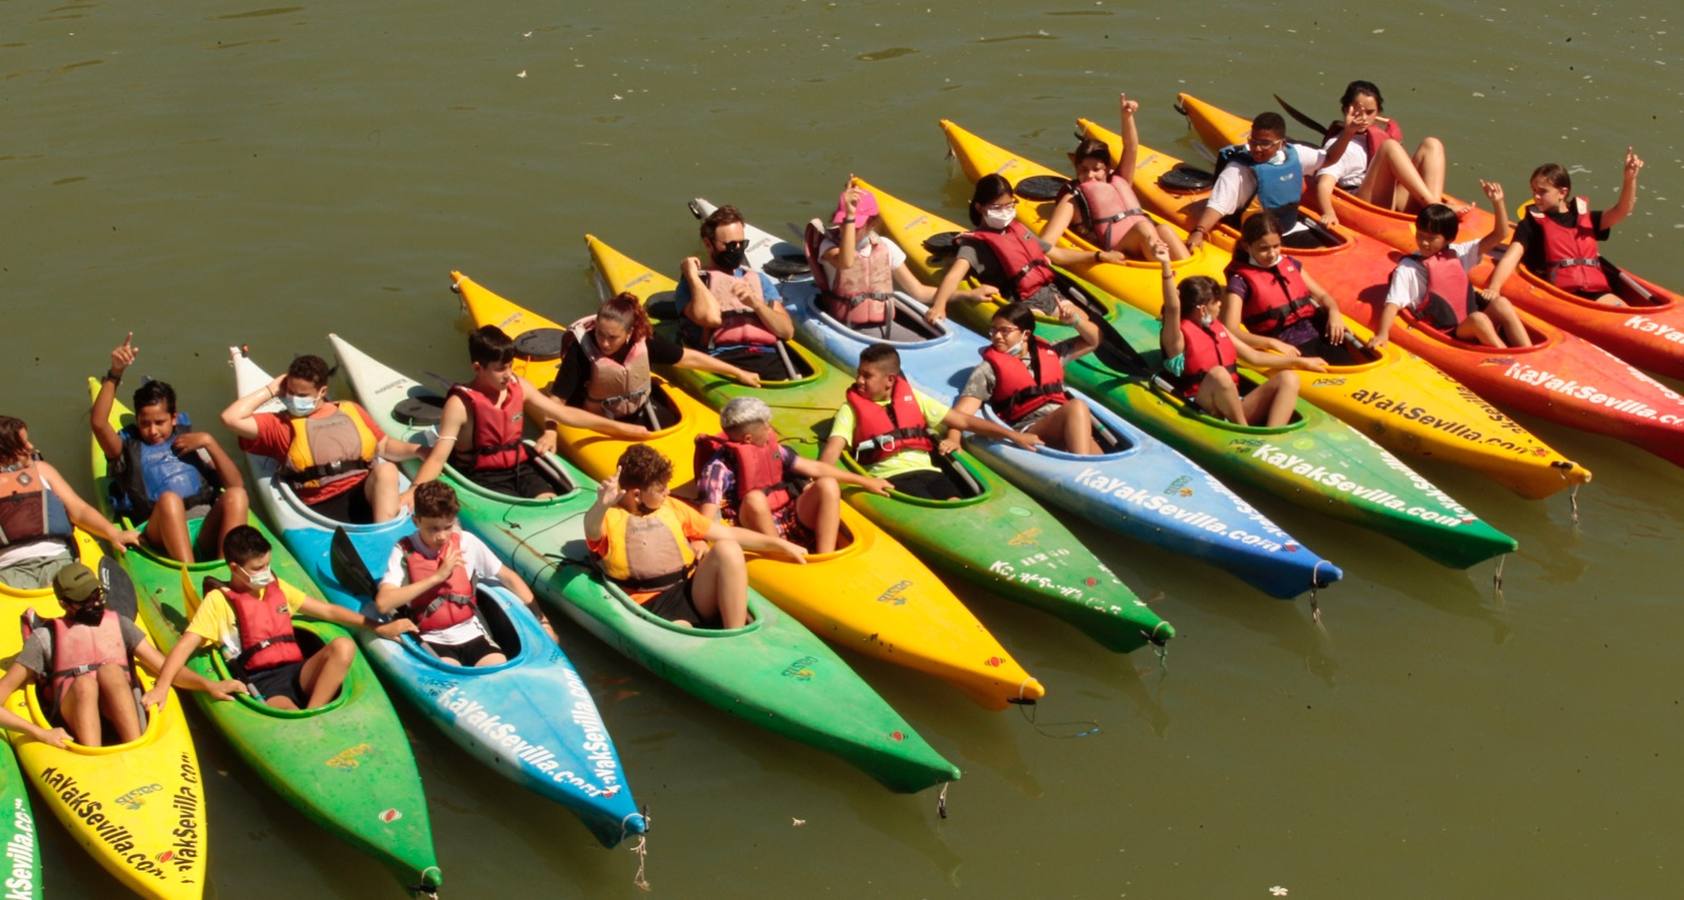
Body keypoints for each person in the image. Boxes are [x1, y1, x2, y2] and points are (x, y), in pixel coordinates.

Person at [142, 525, 416, 711]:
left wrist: (379, 627)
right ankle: (302, 718)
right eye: (258, 567)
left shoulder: (276, 587)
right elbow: (185, 645)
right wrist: (161, 687)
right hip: (265, 683)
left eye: (268, 564)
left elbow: (327, 610)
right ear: (235, 568)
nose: (266, 572)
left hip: (298, 671)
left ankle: (315, 713)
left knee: (344, 647)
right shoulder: (219, 602)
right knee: (288, 710)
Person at [0, 563, 240, 747]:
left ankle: (137, 744)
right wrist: (40, 733)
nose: (95, 604)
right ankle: (93, 755)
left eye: (97, 596)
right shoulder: (45, 638)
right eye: (85, 600)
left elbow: (165, 667)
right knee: (85, 684)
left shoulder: (120, 624)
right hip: (75, 720)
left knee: (111, 671)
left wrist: (208, 685)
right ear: (65, 604)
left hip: (121, 709)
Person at [411, 325, 650, 501]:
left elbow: (566, 414)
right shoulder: (459, 405)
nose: (508, 374)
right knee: (525, 504)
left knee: (548, 500)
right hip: (481, 476)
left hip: (519, 467)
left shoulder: (518, 386)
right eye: (500, 369)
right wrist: (413, 493)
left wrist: (626, 429)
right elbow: (438, 458)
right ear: (477, 368)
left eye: (511, 366)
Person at [586, 445, 804, 629]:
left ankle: (736, 634)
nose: (668, 492)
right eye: (661, 488)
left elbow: (726, 533)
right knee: (683, 627)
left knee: (727, 548)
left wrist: (779, 544)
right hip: (649, 605)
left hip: (690, 590)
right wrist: (601, 505)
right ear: (636, 494)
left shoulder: (671, 507)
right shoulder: (608, 518)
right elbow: (592, 529)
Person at [91, 333, 249, 563]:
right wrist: (115, 373)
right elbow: (98, 423)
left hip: (203, 526)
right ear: (137, 420)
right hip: (157, 532)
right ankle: (189, 573)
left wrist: (209, 442)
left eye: (160, 423)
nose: (153, 431)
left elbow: (236, 485)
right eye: (145, 424)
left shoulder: (190, 440)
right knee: (169, 500)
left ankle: (229, 567)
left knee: (237, 496)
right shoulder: (125, 448)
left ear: (174, 418)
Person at [820, 343, 1041, 500]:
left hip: (929, 473)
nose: (858, 380)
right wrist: (842, 479)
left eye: (866, 376)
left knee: (955, 501)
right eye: (859, 373)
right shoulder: (850, 410)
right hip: (889, 479)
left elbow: (963, 421)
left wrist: (1014, 435)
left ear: (890, 380)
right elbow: (830, 455)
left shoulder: (913, 398)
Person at [539, 293, 757, 452]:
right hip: (594, 420)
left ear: (629, 332)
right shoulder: (580, 352)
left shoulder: (643, 342)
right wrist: (550, 431)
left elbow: (686, 358)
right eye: (600, 334)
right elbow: (556, 401)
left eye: (612, 337)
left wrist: (737, 372)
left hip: (638, 409)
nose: (604, 343)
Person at [222, 354, 421, 524]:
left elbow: (384, 446)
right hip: (320, 505)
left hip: (365, 493)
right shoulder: (279, 425)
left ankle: (385, 534)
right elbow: (230, 418)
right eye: (289, 392)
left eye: (301, 394)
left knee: (387, 469)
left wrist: (418, 450)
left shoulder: (350, 410)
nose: (292, 398)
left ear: (322, 392)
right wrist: (271, 389)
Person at [375, 481, 553, 667]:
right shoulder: (404, 551)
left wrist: (543, 622)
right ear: (416, 521)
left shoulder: (467, 543)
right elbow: (383, 603)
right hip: (430, 637)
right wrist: (438, 577)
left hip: (472, 633)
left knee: (498, 667)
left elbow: (508, 577)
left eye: (447, 527)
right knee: (449, 668)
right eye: (433, 528)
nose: (442, 536)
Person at [695, 397, 890, 555]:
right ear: (748, 438)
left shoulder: (773, 449)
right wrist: (700, 540)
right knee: (755, 499)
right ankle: (785, 556)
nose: (771, 430)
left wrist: (865, 481)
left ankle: (825, 555)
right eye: (766, 426)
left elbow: (816, 469)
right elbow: (706, 517)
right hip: (755, 526)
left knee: (828, 484)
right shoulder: (717, 469)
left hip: (788, 514)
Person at [926, 174, 1126, 325]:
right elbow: (954, 276)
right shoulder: (974, 244)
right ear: (979, 207)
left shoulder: (1017, 230)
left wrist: (1099, 255)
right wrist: (939, 306)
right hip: (1021, 302)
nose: (1005, 212)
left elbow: (1057, 254)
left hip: (1050, 291)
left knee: (1085, 322)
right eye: (997, 207)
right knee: (1072, 324)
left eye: (1010, 205)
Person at [1159, 248, 1325, 428]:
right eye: (1216, 301)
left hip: (1235, 406)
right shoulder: (1177, 338)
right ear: (1202, 309)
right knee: (1220, 375)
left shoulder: (1217, 328)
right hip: (1203, 408)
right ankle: (1244, 432)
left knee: (1289, 378)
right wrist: (1166, 267)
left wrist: (1300, 362)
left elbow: (1254, 357)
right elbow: (1172, 308)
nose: (1220, 304)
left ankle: (1273, 435)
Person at [811, 178, 995, 330]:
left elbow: (919, 291)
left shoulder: (885, 247)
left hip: (883, 323)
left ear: (872, 224)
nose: (845, 228)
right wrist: (850, 216)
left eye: (855, 225)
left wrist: (968, 295)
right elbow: (846, 262)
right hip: (843, 325)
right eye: (842, 221)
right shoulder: (829, 246)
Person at [1483, 149, 1645, 307]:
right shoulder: (1530, 224)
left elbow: (1622, 211)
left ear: (1562, 192)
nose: (1535, 196)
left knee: (1623, 310)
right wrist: (1493, 288)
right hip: (1561, 296)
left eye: (1542, 192)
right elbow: (1511, 257)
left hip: (1596, 293)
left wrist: (1630, 179)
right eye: (1534, 191)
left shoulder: (1585, 218)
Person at [1377, 183, 1530, 349]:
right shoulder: (1408, 268)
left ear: (1448, 239)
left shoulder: (1458, 253)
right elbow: (1393, 303)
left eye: (1432, 238)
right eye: (1420, 235)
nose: (1424, 242)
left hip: (1468, 318)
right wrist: (1382, 333)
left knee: (1501, 303)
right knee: (1480, 320)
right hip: (1449, 329)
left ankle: (1528, 352)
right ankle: (1506, 357)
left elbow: (1500, 234)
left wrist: (1498, 203)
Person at [1041, 93, 1190, 260]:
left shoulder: (1121, 180)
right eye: (1083, 169)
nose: (1089, 175)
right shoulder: (1073, 200)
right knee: (1144, 228)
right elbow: (1046, 245)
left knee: (1164, 230)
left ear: (1107, 169)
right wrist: (1098, 256)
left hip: (1146, 243)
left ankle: (1191, 274)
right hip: (1118, 248)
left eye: (1096, 169)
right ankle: (1166, 276)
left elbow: (1131, 148)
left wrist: (1127, 117)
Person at [1186, 110, 1363, 251]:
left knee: (1327, 251)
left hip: (1291, 228)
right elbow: (1218, 205)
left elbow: (1330, 158)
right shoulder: (1237, 170)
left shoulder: (1296, 154)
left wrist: (1348, 132)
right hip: (1259, 239)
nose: (1257, 148)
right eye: (1253, 141)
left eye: (1264, 143)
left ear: (1281, 143)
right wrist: (1199, 232)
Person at [0, 416, 140, 590]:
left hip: (58, 560)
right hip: (7, 571)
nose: (31, 447)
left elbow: (79, 511)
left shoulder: (43, 471)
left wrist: (113, 534)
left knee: (86, 597)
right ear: (4, 452)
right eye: (23, 444)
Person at [951, 299, 1102, 455]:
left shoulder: (1052, 353)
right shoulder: (988, 370)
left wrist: (1076, 321)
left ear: (1025, 334)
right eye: (993, 330)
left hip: (1062, 421)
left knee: (1097, 453)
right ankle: (1081, 464)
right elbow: (962, 413)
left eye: (1005, 331)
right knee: (1077, 406)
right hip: (1028, 428)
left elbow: (1093, 341)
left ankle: (1085, 463)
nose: (997, 336)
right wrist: (953, 439)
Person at [675, 205, 797, 380]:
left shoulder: (759, 279)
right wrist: (691, 275)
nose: (738, 249)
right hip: (723, 361)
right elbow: (710, 318)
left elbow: (786, 332)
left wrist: (756, 304)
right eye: (731, 245)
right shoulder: (695, 282)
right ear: (709, 244)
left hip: (769, 357)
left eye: (742, 243)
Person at [1221, 214, 1347, 360]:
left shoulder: (1290, 264)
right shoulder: (1240, 281)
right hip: (1284, 345)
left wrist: (1334, 311)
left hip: (1316, 331)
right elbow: (1231, 329)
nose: (1272, 254)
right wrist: (1270, 343)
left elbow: (1323, 296)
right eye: (1264, 248)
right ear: (1246, 247)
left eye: (1276, 246)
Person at [1324, 80, 1450, 217]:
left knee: (1432, 144)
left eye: (1370, 112)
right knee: (1389, 147)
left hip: (1391, 196)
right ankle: (1436, 208)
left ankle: (1436, 212)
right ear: (1345, 110)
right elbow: (1324, 183)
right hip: (1361, 202)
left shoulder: (1378, 135)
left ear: (1378, 113)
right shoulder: (1335, 144)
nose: (1363, 118)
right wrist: (1328, 212)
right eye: (1357, 111)